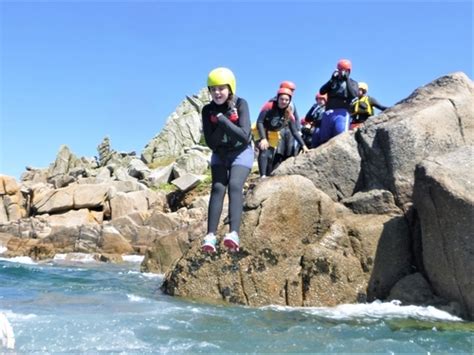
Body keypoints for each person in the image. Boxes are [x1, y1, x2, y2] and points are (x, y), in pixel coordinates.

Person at [201, 67, 253, 253]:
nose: (217, 93)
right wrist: (221, 124)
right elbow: (212, 143)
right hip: (220, 153)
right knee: (217, 187)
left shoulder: (241, 104)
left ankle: (234, 234)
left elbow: (245, 136)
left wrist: (223, 121)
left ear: (230, 88)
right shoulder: (207, 110)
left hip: (241, 152)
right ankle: (210, 236)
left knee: (235, 185)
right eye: (213, 89)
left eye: (221, 88)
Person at [256, 87, 309, 177]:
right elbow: (259, 122)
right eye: (282, 99)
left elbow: (294, 132)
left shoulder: (289, 114)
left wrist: (304, 146)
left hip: (273, 132)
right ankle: (262, 177)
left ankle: (268, 176)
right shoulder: (269, 106)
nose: (284, 102)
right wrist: (263, 138)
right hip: (261, 129)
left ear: (289, 101)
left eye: (286, 100)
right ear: (277, 98)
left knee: (270, 156)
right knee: (264, 150)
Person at [313, 59, 358, 148]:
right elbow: (322, 91)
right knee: (324, 139)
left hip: (342, 113)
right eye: (339, 69)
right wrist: (331, 80)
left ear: (348, 71)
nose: (341, 72)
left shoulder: (353, 82)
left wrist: (347, 80)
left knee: (341, 137)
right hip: (329, 112)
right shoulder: (333, 81)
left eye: (343, 70)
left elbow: (353, 95)